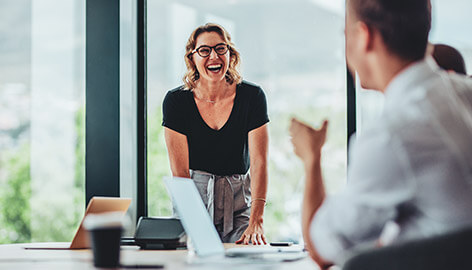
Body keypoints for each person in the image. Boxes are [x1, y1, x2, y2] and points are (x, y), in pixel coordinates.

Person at [290, 0, 472, 268]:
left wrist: (311, 157)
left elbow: (322, 248)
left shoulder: (393, 135)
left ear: (363, 37)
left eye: (345, 35)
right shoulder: (464, 93)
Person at [162, 23, 269, 245]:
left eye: (221, 49)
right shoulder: (176, 102)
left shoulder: (252, 96)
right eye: (204, 50)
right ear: (192, 58)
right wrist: (195, 225)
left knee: (249, 258)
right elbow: (180, 172)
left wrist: (256, 219)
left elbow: (259, 162)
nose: (214, 56)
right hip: (193, 202)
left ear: (231, 54)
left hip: (239, 206)